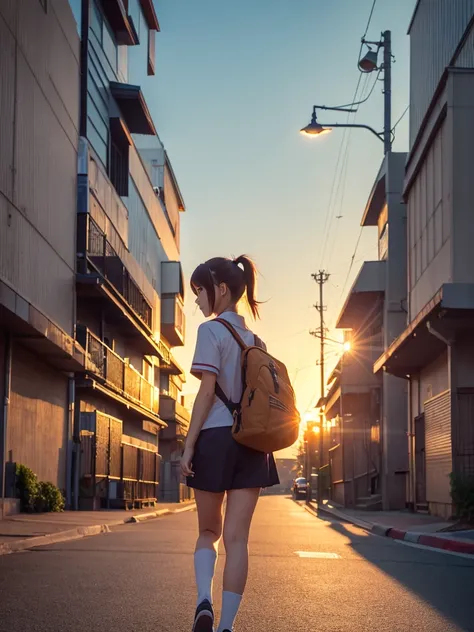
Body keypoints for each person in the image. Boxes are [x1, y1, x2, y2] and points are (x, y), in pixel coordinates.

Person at [181, 255, 280, 632]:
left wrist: (189, 445)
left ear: (220, 289)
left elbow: (207, 393)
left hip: (216, 439)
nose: (197, 300)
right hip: (254, 443)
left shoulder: (210, 331)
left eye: (199, 291)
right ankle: (226, 627)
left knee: (209, 531)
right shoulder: (257, 340)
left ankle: (203, 600)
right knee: (238, 539)